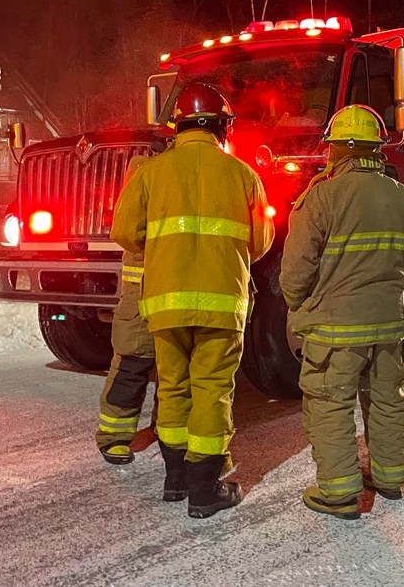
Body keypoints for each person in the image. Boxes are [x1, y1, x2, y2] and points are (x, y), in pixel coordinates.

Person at [110, 83, 274, 519]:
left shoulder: (150, 172)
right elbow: (259, 242)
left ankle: (175, 479)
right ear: (222, 125)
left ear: (177, 126)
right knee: (212, 391)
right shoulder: (244, 175)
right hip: (223, 306)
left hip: (165, 305)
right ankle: (205, 490)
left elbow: (124, 232)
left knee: (174, 387)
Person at [281, 105, 404, 520]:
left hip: (334, 329)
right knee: (386, 400)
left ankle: (339, 493)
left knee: (330, 404)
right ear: (375, 150)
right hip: (388, 327)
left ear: (340, 149)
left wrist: (300, 305)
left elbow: (294, 273)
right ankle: (388, 477)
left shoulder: (322, 196)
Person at [95, 153, 159, 469]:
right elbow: (126, 232)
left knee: (176, 370)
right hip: (143, 293)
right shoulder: (146, 173)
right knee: (133, 363)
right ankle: (114, 437)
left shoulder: (159, 172)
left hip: (170, 290)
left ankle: (166, 429)